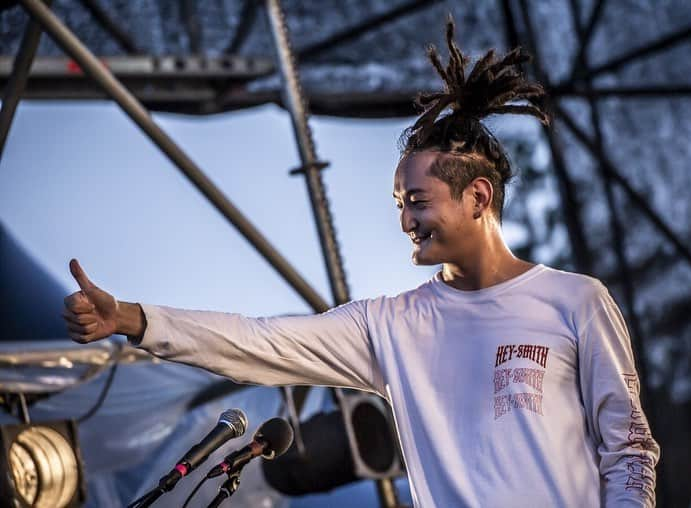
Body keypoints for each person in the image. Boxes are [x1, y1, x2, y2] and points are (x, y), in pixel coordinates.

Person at [63, 20, 659, 508]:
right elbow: (257, 343)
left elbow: (629, 450)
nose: (405, 221)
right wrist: (134, 319)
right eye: (399, 205)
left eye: (418, 202)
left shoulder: (575, 300)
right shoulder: (391, 325)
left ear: (478, 197)